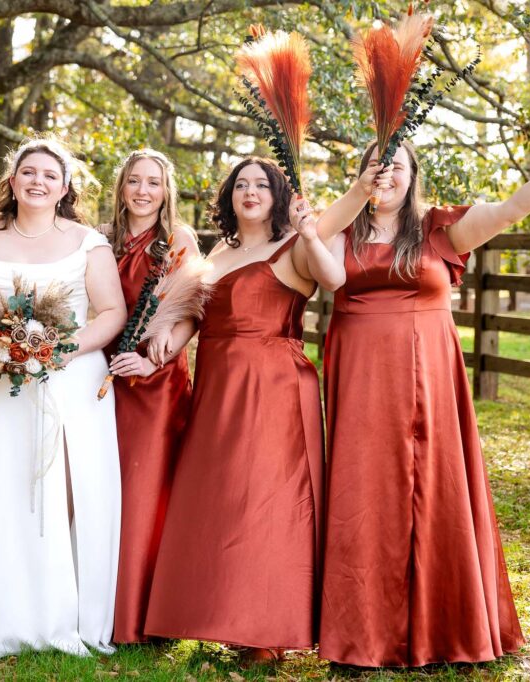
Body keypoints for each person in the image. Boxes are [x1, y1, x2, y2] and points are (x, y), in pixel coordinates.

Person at [144, 156, 381, 663]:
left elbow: (335, 221)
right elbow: (194, 314)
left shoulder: (293, 247)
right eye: (241, 185)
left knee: (268, 500)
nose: (250, 192)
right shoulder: (218, 253)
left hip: (271, 385)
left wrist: (361, 187)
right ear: (229, 196)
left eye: (262, 185)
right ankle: (213, 614)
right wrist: (167, 335)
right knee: (218, 497)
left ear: (278, 196)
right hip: (217, 386)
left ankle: (266, 629)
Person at [316, 140, 530, 667]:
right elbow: (309, 242)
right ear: (360, 174)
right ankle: (360, 637)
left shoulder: (439, 229)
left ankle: (450, 629)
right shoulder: (342, 230)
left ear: (414, 176)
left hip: (430, 376)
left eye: (396, 168)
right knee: (363, 490)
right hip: (362, 377)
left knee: (438, 486)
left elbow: (509, 210)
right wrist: (355, 192)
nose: (385, 176)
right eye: (375, 166)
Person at [0, 138, 127, 659]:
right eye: (27, 172)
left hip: (73, 380)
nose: (37, 181)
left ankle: (70, 614)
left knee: (70, 493)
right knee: (7, 491)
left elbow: (111, 312)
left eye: (49, 175)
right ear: (11, 182)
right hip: (5, 385)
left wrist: (57, 348)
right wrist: (5, 341)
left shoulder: (89, 243)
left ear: (65, 187)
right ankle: (0, 616)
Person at [99, 149, 200, 644]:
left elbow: (191, 311)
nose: (142, 191)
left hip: (155, 381)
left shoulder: (177, 241)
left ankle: (141, 618)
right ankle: (102, 609)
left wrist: (156, 358)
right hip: (107, 378)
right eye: (134, 181)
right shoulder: (101, 241)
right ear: (121, 188)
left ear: (166, 192)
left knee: (145, 493)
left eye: (153, 183)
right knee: (108, 492)